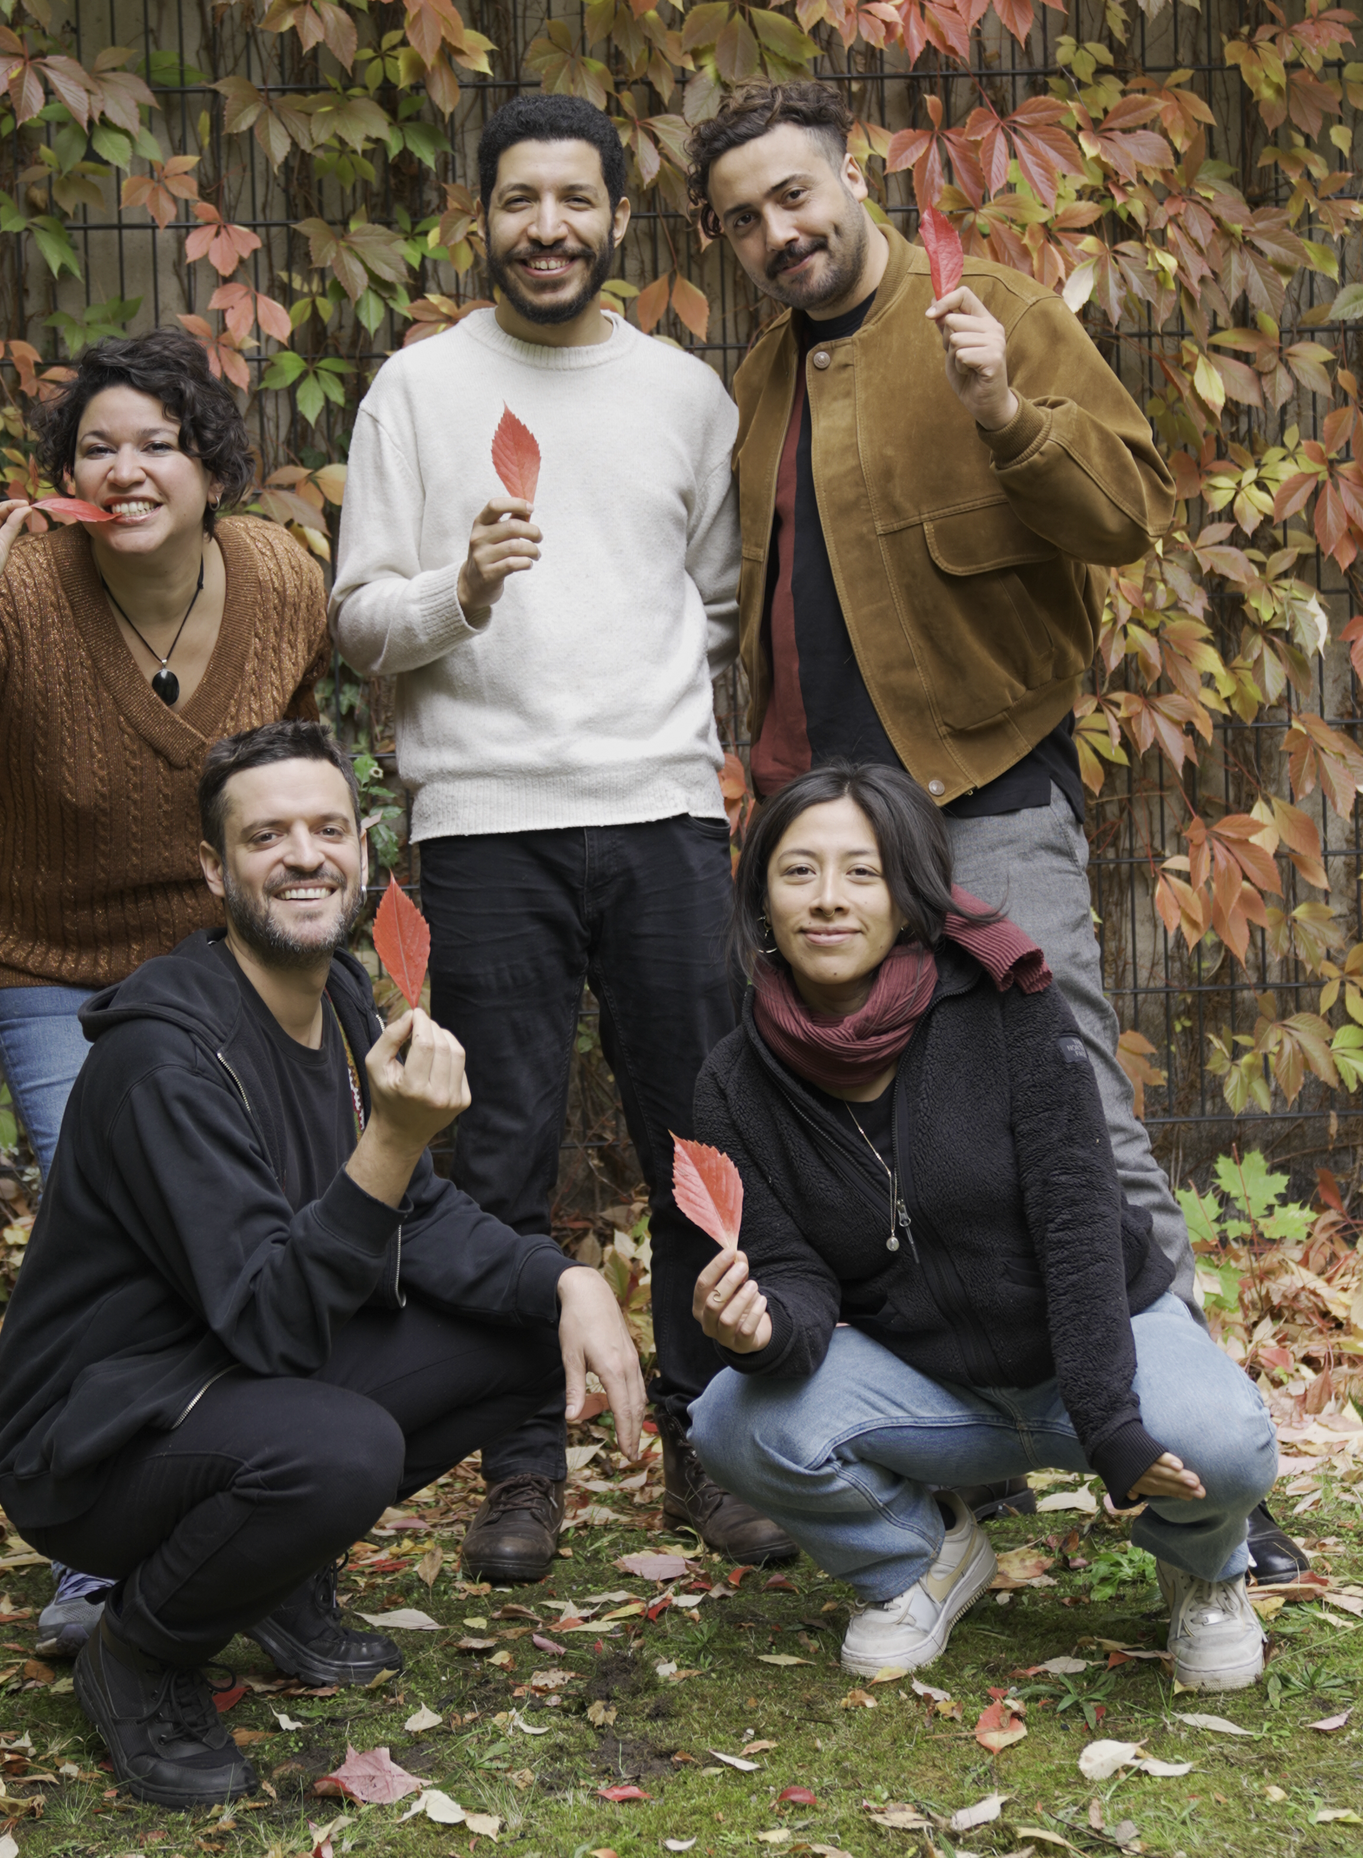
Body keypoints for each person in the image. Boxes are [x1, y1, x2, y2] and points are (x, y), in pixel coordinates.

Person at [686, 78, 1304, 1582]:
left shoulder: (997, 310)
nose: (779, 232)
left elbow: (1127, 517)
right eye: (743, 219)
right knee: (856, 1130)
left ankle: (1210, 1482)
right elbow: (762, 607)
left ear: (852, 182)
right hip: (825, 836)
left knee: (1081, 1110)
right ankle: (964, 1444)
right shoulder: (761, 378)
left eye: (795, 196)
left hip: (984, 794)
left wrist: (1005, 413)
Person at [0, 720, 645, 1809]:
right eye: (267, 835)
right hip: (95, 1439)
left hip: (225, 1381)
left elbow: (418, 1216)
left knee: (523, 1325)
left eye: (327, 827)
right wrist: (391, 1137)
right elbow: (274, 1323)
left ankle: (273, 1581)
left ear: (361, 848)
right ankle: (137, 1652)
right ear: (214, 868)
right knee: (340, 1449)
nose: (304, 854)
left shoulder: (338, 997)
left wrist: (567, 1279)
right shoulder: (166, 1059)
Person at [0, 329, 333, 1653]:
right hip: (59, 974)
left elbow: (292, 756)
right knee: (123, 1236)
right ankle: (105, 1542)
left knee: (259, 1231)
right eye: (99, 444)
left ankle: (258, 1535)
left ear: (211, 465)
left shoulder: (281, 576)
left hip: (227, 970)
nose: (129, 465)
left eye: (158, 440)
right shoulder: (25, 591)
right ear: (64, 477)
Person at [330, 92, 792, 1575]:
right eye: (521, 201)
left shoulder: (684, 395)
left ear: (615, 218)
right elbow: (355, 623)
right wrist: (458, 591)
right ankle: (518, 1464)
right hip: (484, 823)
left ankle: (705, 1448)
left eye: (575, 201)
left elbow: (715, 602)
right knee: (493, 1155)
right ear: (484, 218)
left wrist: (646, 706)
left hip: (660, 809)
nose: (548, 228)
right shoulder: (416, 390)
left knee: (698, 1139)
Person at [685, 762, 1277, 1690]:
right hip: (928, 1384)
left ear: (908, 896)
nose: (829, 900)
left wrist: (1113, 1422)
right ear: (762, 898)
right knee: (729, 1420)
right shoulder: (733, 1081)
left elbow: (1077, 1224)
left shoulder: (1009, 1006)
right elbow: (795, 1275)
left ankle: (1202, 1568)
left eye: (862, 872)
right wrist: (761, 1332)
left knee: (1225, 1442)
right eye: (799, 872)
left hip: (1095, 1347)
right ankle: (919, 1558)